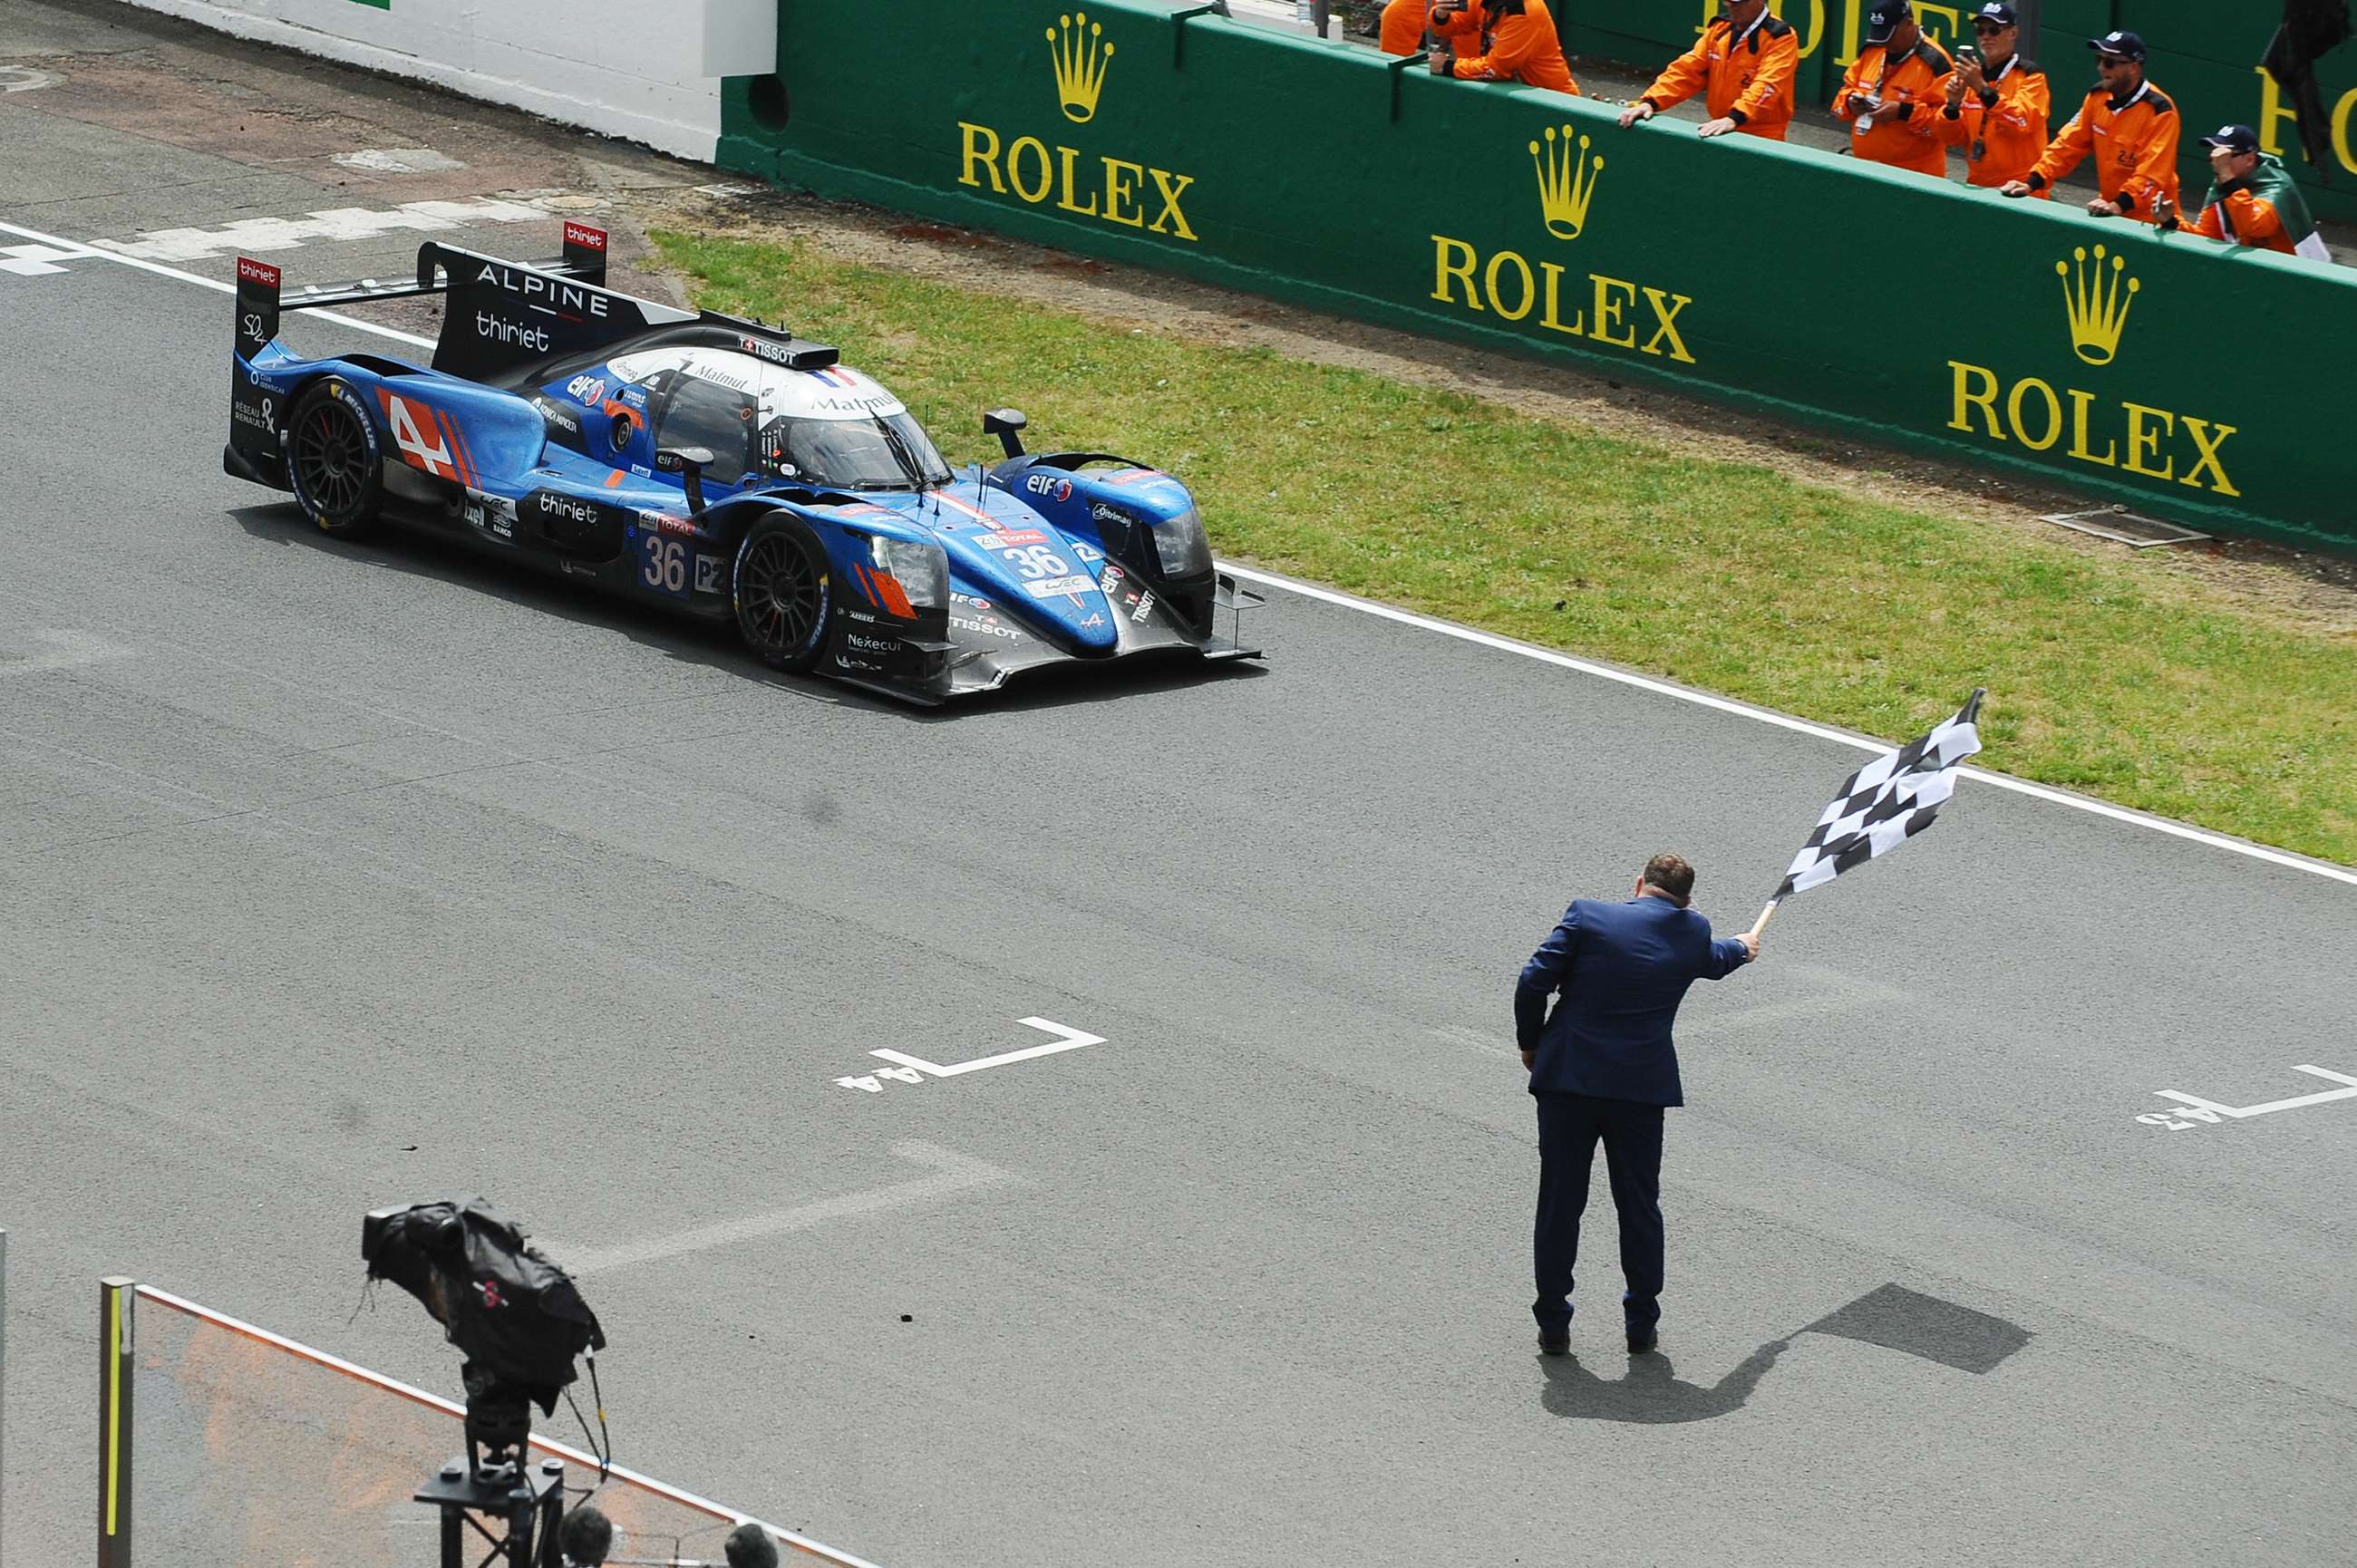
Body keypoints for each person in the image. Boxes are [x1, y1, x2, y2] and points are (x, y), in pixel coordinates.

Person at [1516, 854, 1760, 1356]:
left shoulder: (1588, 916)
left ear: (1638, 884)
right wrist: (1743, 947)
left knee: (1560, 1203)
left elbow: (1532, 980)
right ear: (1687, 899)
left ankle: (1554, 1321)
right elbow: (1715, 960)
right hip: (1639, 1091)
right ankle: (1640, 1321)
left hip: (1568, 1080)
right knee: (1639, 1205)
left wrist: (1531, 1042)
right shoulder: (1693, 932)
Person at [2001, 30, 2180, 226]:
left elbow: (2152, 176)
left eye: (2110, 62)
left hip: (2151, 220)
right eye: (2099, 60)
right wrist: (2031, 182)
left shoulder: (2160, 111)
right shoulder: (2097, 97)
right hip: (2110, 210)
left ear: (2133, 67)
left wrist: (2117, 206)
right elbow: (2067, 145)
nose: (2102, 68)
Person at [1617, 0, 1800, 141]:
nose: (1731, 6)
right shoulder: (1719, 29)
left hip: (1762, 134)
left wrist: (1734, 118)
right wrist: (1650, 102)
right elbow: (1688, 70)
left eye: (1738, 1)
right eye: (1728, 0)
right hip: (1718, 126)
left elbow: (1768, 85)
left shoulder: (1781, 37)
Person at [1831, 1, 1954, 177]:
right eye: (1879, 34)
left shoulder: (1936, 64)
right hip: (1863, 169)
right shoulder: (1873, 51)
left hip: (1915, 176)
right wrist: (1850, 104)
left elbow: (1950, 130)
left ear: (1909, 24)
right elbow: (1842, 96)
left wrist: (1904, 112)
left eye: (1889, 34)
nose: (1884, 42)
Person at [1935, 3, 2050, 191]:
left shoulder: (2031, 76)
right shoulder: (1973, 78)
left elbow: (2021, 122)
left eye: (1994, 30)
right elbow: (1952, 139)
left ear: (2013, 33)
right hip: (1977, 184)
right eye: (1980, 31)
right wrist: (1952, 106)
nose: (1986, 37)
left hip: (2021, 186)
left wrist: (1981, 89)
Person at [2186, 123, 2334, 262]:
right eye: (2213, 154)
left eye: (2224, 156)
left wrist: (2228, 179)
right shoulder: (2223, 186)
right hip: (2260, 273)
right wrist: (2171, 222)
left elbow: (2256, 226)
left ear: (2250, 159)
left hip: (2300, 278)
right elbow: (2207, 237)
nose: (2216, 162)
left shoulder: (2277, 187)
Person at [1426, 0, 1581, 95]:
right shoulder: (1484, 2)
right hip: (1516, 98)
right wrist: (1441, 16)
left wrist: (1448, 67)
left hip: (1554, 101)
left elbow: (1497, 69)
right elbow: (1455, 26)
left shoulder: (1525, 12)